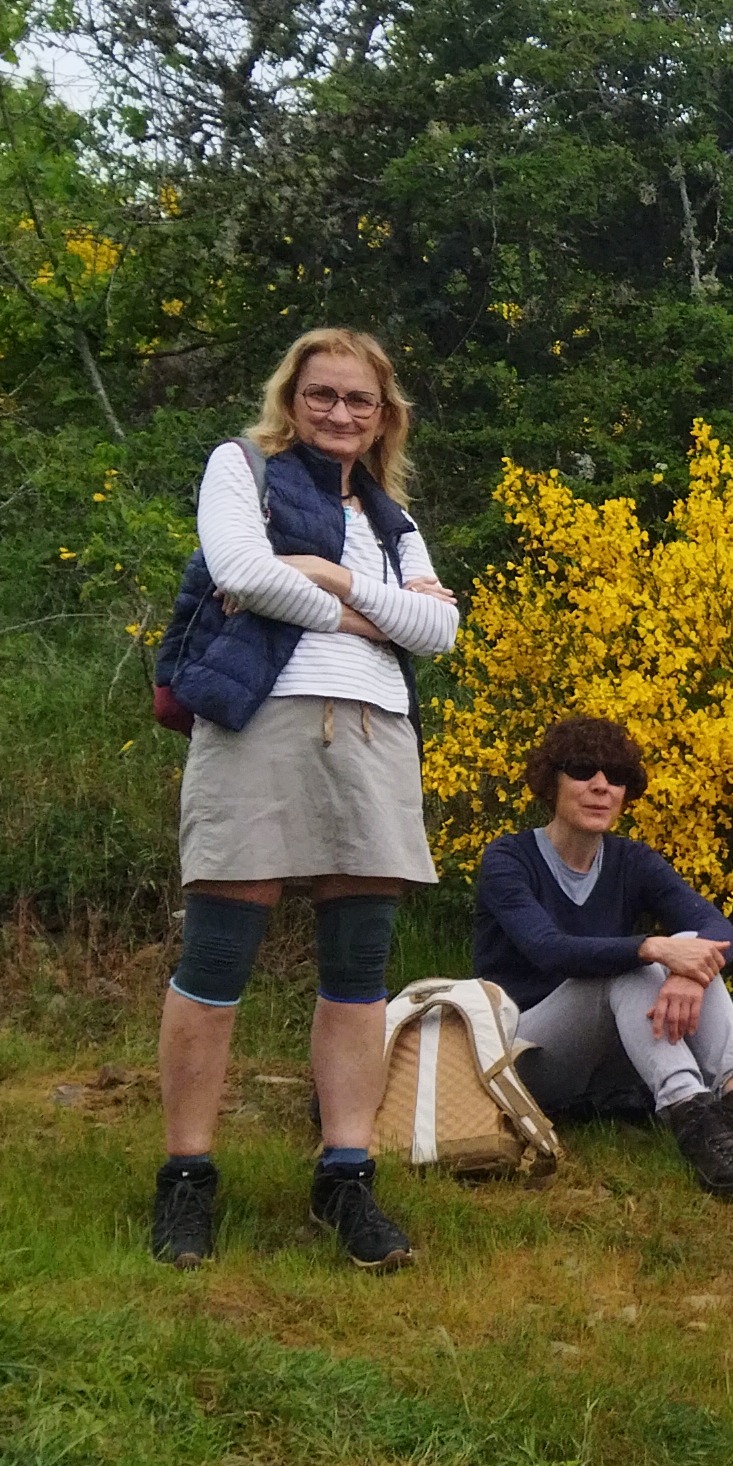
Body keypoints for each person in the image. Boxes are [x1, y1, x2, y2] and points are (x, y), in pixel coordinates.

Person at [151, 328, 459, 1272]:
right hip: (259, 726)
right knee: (217, 958)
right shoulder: (238, 466)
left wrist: (326, 576)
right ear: (293, 397)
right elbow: (242, 572)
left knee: (358, 972)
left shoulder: (392, 519)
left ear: (383, 416)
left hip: (374, 735)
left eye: (359, 401)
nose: (340, 413)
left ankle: (347, 1178)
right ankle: (187, 1181)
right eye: (323, 394)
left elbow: (439, 630)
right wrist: (365, 608)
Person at [469, 715, 733, 1200]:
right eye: (583, 770)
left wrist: (687, 974)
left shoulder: (632, 859)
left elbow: (719, 932)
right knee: (636, 965)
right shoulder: (508, 859)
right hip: (525, 1053)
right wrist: (652, 948)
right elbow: (549, 949)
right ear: (552, 781)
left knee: (691, 946)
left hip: (608, 1057)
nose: (601, 787)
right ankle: (694, 1118)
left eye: (616, 776)